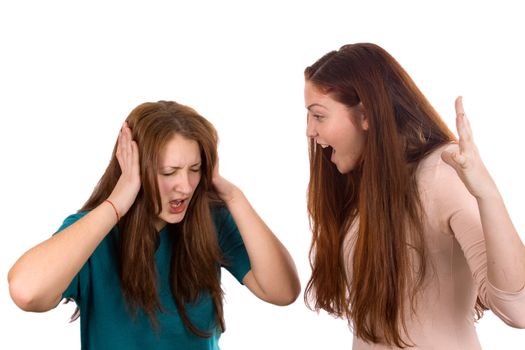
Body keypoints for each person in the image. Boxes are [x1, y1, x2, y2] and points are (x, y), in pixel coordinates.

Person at [8, 100, 300, 349]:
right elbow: (26, 291)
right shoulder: (93, 232)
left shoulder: (211, 220)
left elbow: (282, 292)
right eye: (169, 172)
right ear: (134, 170)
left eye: (195, 169)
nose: (185, 187)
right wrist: (117, 203)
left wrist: (234, 196)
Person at [303, 43, 525, 349]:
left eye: (319, 116)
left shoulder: (442, 171)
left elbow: (518, 309)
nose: (310, 132)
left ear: (366, 114)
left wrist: (488, 195)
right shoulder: (364, 186)